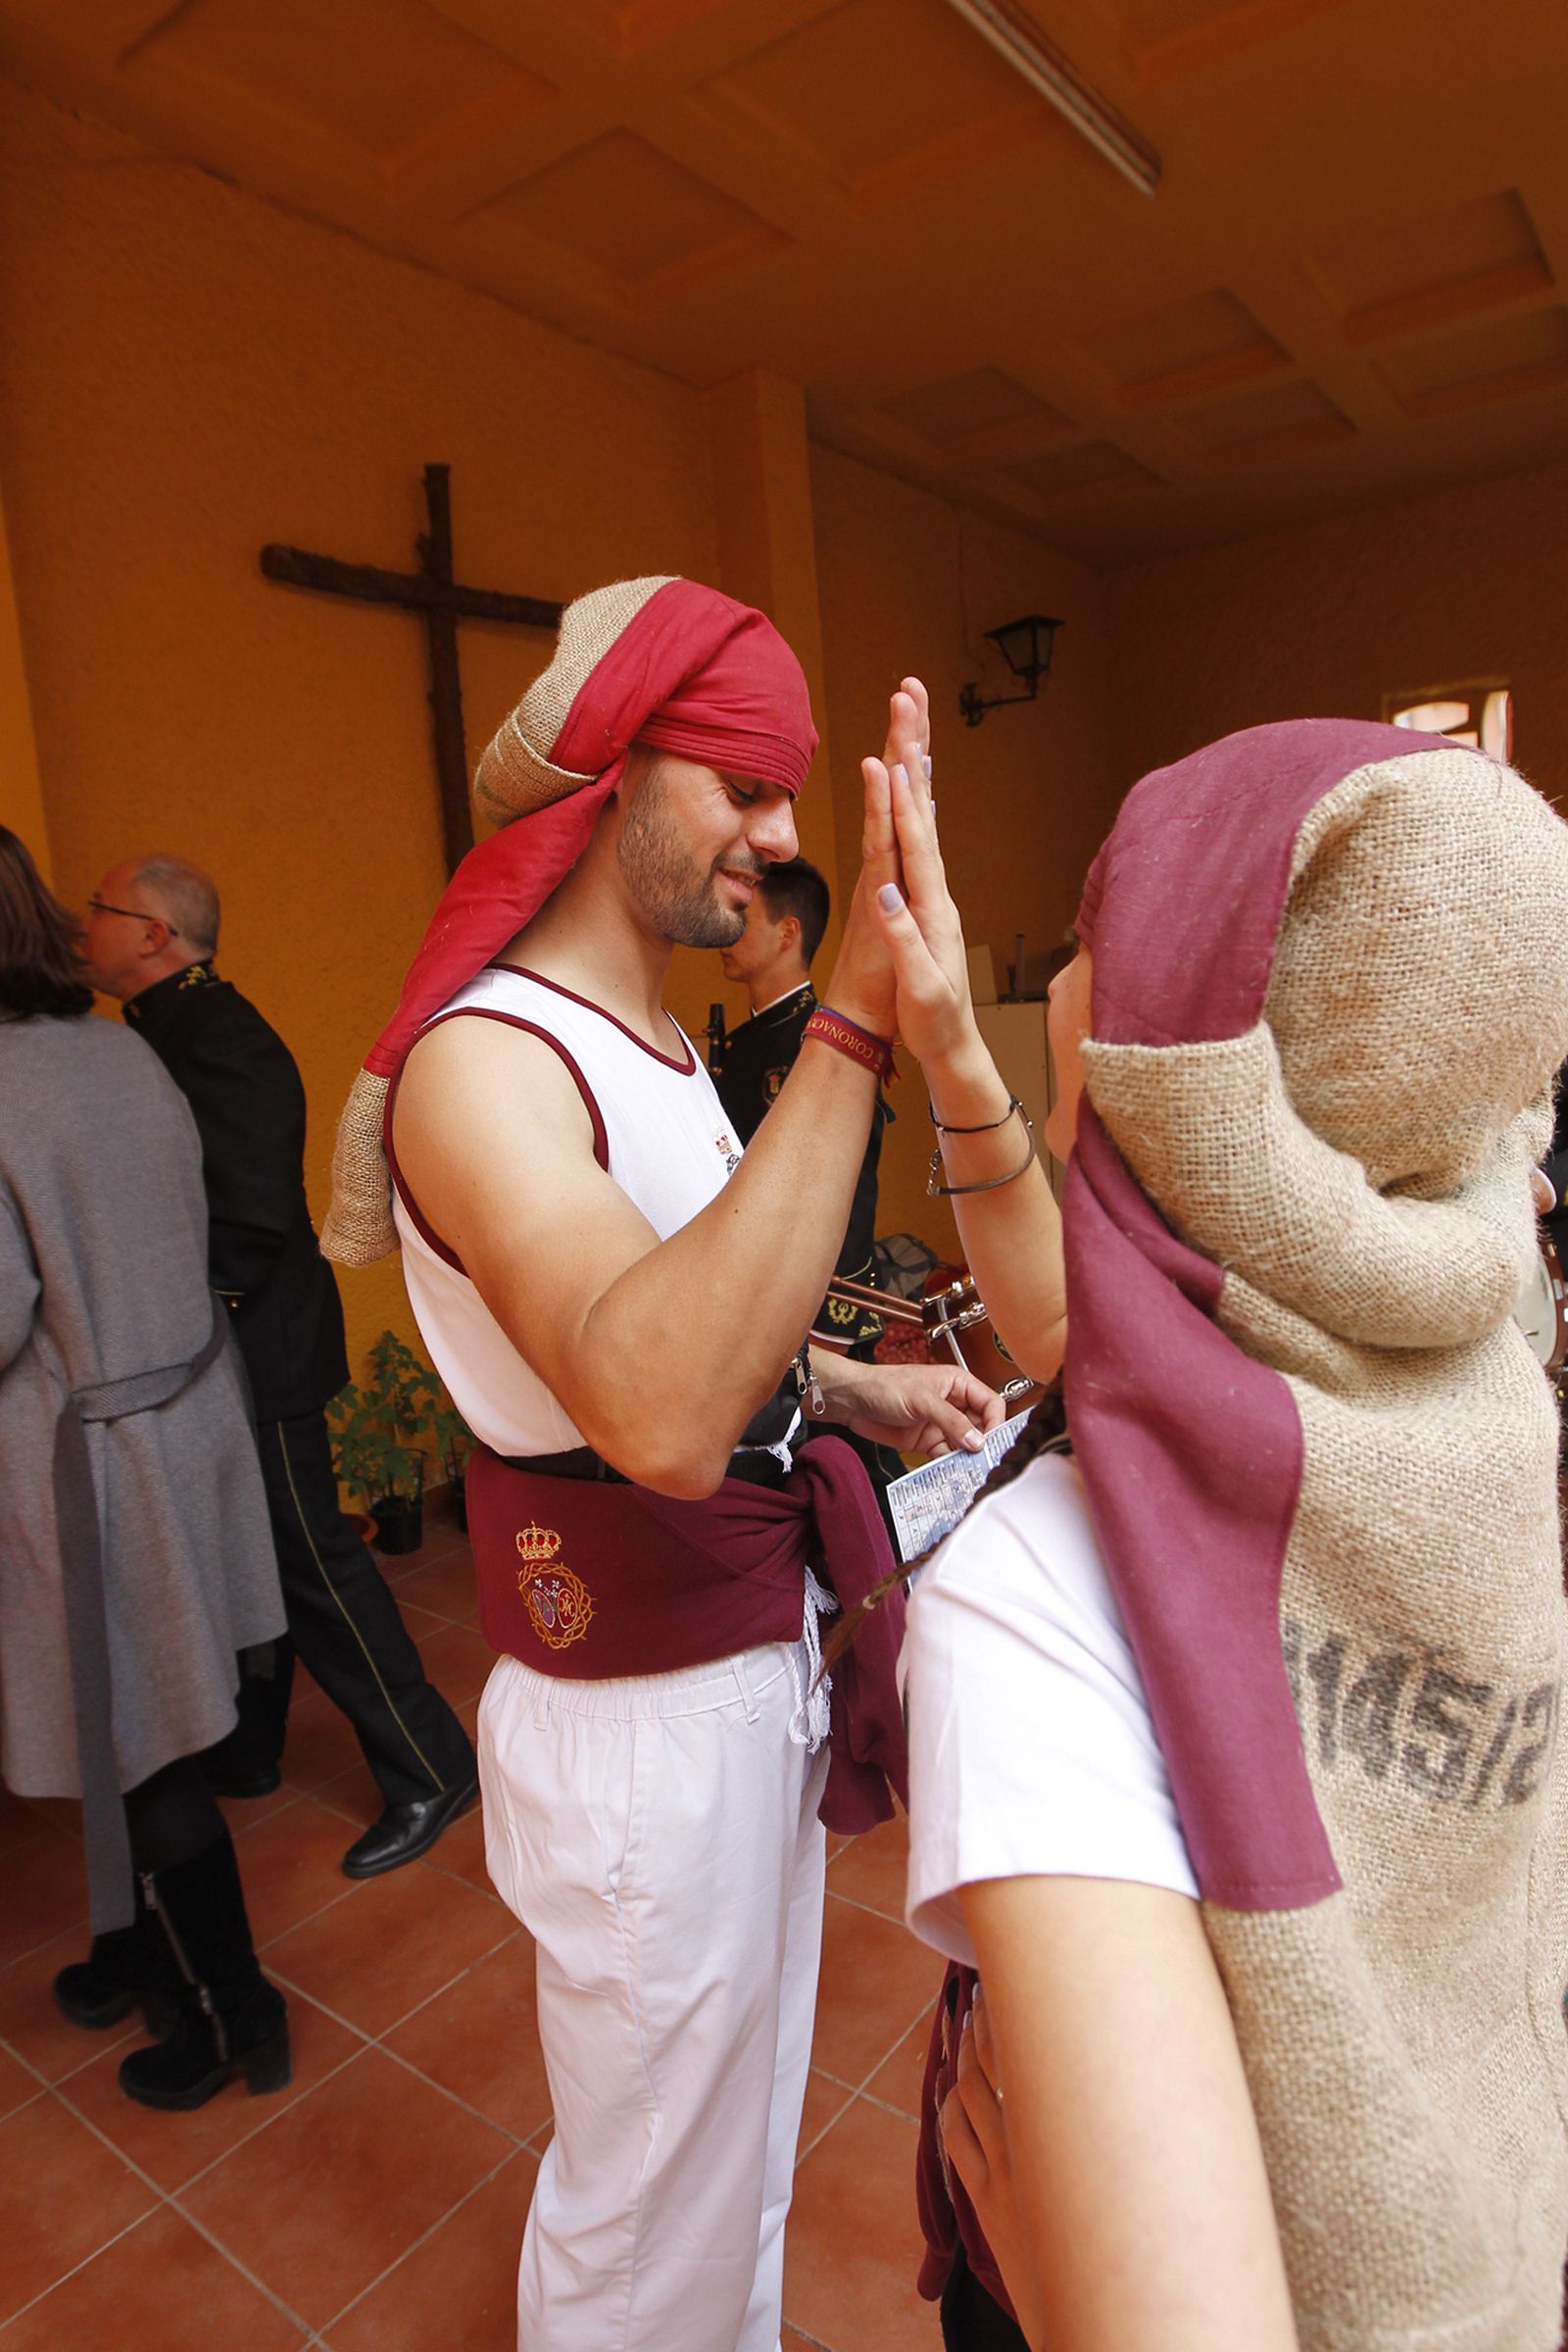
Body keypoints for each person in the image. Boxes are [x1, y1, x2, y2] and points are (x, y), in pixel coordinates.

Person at [321, 573, 1002, 2352]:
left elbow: (706, 1306)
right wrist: (855, 1019)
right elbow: (656, 1407)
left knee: (738, 2149)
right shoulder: (490, 1069)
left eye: (790, 798)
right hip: (637, 1724)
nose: (779, 843)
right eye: (745, 789)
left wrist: (855, 1390)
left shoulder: (657, 1050)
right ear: (612, 778)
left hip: (743, 1660)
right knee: (644, 2208)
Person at [872, 720, 1568, 2350]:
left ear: (1177, 1037)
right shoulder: (1463, 1372)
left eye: (1102, 927)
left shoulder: (1039, 1593)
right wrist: (960, 1066)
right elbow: (1089, 1338)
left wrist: (1061, 2296)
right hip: (1493, 2215)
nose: (1066, 962)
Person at [81, 855, 477, 1877]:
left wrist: (173, 1318)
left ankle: (433, 1767)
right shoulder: (169, 1030)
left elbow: (251, 1220)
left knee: (315, 1565)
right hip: (231, 1347)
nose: (85, 925)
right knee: (256, 1552)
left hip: (259, 1348)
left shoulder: (218, 1039)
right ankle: (254, 1748)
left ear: (157, 936)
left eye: (101, 911)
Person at [0, 826, 291, 2111]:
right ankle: (128, 1950)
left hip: (91, 1457)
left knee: (145, 1747)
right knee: (145, 1723)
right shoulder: (120, 1047)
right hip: (178, 1421)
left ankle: (236, 2014)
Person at [716, 855, 890, 1352]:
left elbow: (851, 1185)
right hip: (759, 1287)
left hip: (816, 1307)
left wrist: (835, 1321)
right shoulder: (746, 1041)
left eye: (744, 916)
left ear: (787, 933)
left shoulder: (824, 1042)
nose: (727, 932)